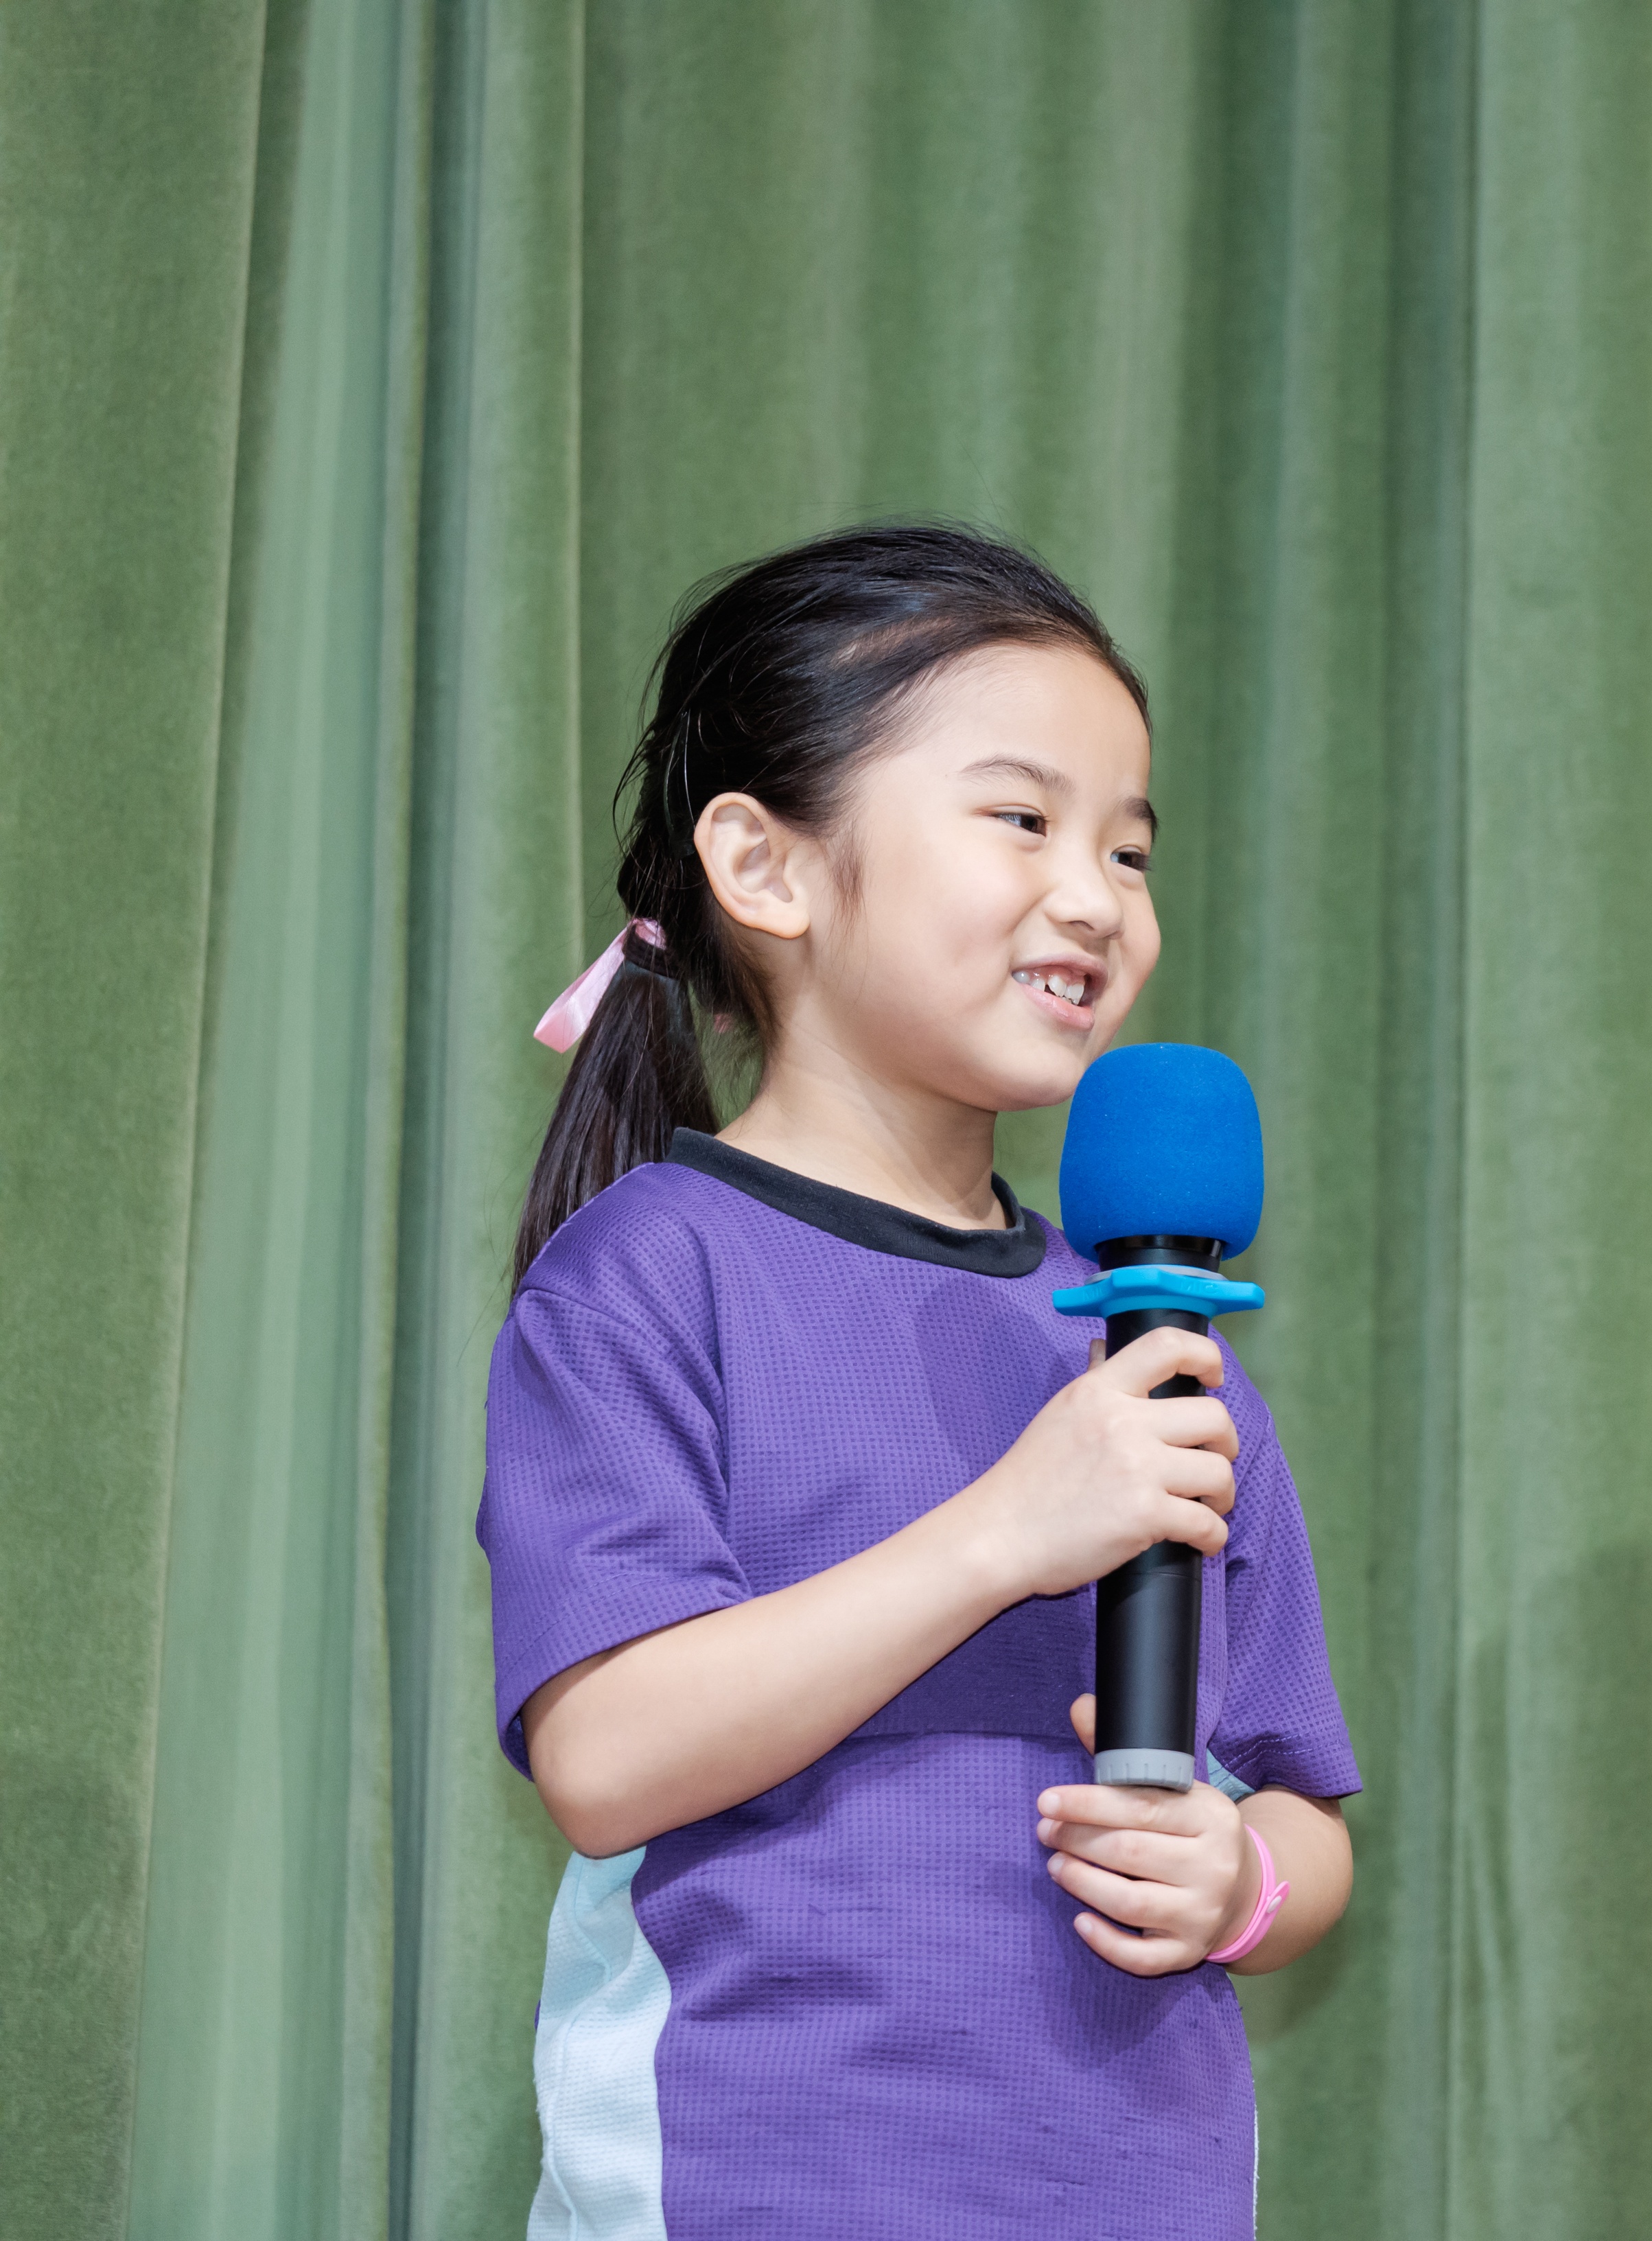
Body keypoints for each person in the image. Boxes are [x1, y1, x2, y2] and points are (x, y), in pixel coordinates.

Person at [482, 523, 1358, 2238]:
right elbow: (604, 1752)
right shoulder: (651, 1270)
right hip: (755, 2184)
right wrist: (1003, 1533)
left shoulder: (1150, 1343)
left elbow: (1298, 1803)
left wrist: (1242, 1882)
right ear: (767, 865)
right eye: (1022, 820)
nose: (1095, 895)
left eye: (1128, 846)